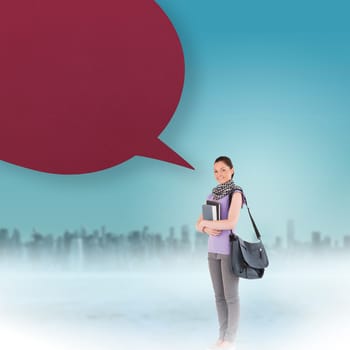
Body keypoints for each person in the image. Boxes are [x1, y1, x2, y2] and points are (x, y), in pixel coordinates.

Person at [195, 156, 245, 350]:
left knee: (231, 296)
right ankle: (221, 335)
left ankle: (230, 339)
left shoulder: (236, 193)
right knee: (218, 296)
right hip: (212, 251)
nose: (219, 174)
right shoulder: (212, 194)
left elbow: (231, 223)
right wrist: (205, 228)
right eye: (215, 171)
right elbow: (197, 224)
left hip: (227, 250)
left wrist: (207, 224)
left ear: (232, 170)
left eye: (223, 169)